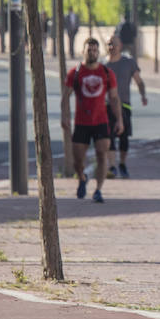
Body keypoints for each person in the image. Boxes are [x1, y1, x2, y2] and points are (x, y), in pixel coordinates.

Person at [62, 37, 122, 203]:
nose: (92, 53)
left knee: (102, 154)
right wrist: (65, 117)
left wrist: (119, 120)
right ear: (83, 52)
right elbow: (65, 97)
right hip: (81, 123)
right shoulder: (75, 73)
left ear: (98, 52)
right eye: (89, 50)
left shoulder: (106, 73)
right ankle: (82, 177)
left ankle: (98, 190)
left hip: (101, 121)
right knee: (78, 161)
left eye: (95, 50)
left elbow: (115, 98)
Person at [105, 35, 147, 179]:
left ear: (120, 45)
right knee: (109, 137)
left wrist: (143, 95)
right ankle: (111, 166)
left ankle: (122, 163)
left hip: (124, 105)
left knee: (124, 138)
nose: (111, 47)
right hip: (107, 105)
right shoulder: (103, 66)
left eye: (114, 44)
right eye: (109, 44)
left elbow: (139, 81)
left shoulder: (128, 63)